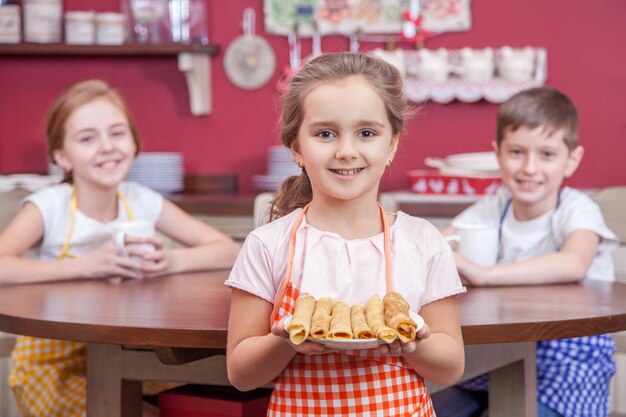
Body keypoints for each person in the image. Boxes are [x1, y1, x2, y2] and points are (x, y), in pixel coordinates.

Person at [225, 52, 466, 416]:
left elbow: (451, 367)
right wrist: (286, 341)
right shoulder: (268, 245)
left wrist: (413, 346)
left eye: (366, 133)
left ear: (392, 145)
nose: (346, 151)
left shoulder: (422, 241)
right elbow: (241, 374)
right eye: (325, 133)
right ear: (297, 148)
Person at [0, 79, 240, 417]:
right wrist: (87, 266)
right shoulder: (49, 207)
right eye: (87, 138)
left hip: (132, 352)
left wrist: (170, 261)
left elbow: (226, 250)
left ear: (134, 142)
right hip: (52, 365)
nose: (107, 147)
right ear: (62, 156)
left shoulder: (140, 200)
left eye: (117, 133)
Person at [433, 87, 619, 417]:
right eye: (517, 152)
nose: (530, 168)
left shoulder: (577, 209)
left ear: (571, 160)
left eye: (546, 155)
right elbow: (437, 243)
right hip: (499, 351)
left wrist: (485, 275)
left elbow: (575, 262)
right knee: (428, 407)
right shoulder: (495, 207)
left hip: (569, 364)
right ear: (498, 155)